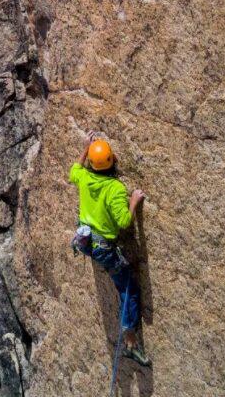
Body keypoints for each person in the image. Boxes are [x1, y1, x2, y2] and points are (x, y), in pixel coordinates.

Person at [68, 130, 151, 367]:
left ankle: (130, 337)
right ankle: (130, 341)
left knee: (120, 277)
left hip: (86, 242)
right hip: (104, 247)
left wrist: (86, 147)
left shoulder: (84, 177)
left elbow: (73, 170)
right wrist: (133, 201)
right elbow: (124, 222)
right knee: (129, 289)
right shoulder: (114, 188)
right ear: (113, 161)